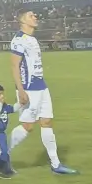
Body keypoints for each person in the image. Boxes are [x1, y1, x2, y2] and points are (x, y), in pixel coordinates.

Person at [9, 10, 77, 173]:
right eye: (31, 16)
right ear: (22, 21)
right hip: (29, 88)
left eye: (35, 15)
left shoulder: (32, 39)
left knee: (46, 122)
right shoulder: (19, 40)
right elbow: (14, 66)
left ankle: (55, 164)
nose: (35, 17)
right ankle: (3, 156)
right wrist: (20, 90)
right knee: (27, 126)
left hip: (42, 87)